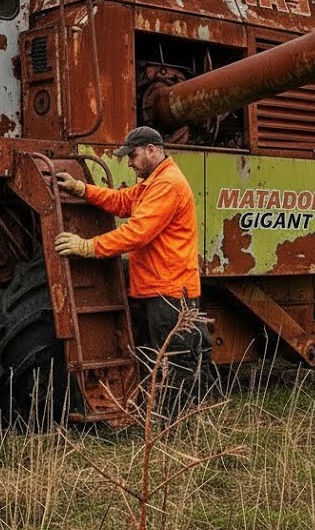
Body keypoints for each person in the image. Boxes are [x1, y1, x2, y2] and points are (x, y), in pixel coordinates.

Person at [52, 126, 210, 389]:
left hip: (169, 292)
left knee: (178, 364)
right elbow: (123, 201)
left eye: (133, 156)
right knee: (170, 361)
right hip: (160, 290)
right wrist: (83, 190)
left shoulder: (167, 185)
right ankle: (170, 422)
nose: (130, 163)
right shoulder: (153, 182)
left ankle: (178, 425)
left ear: (151, 150)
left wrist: (88, 247)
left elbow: (137, 233)